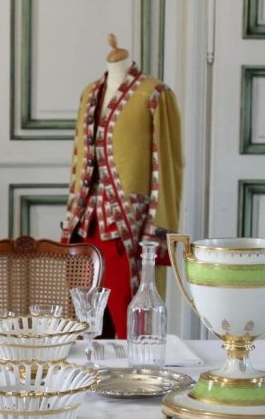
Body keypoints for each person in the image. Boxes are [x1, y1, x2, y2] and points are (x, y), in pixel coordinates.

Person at [62, 34, 183, 338]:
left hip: (129, 230)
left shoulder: (155, 94)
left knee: (131, 322)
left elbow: (167, 167)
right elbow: (78, 161)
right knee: (84, 323)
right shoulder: (90, 93)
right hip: (85, 227)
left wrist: (157, 234)